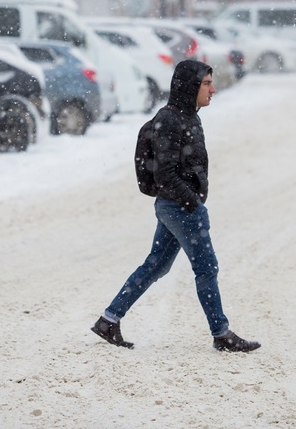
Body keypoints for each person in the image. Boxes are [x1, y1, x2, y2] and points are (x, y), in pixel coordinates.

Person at [91, 59, 261, 353]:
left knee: (155, 265)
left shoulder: (187, 115)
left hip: (173, 206)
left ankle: (109, 319)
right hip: (180, 208)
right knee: (207, 268)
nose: (213, 89)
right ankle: (221, 333)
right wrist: (193, 203)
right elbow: (165, 173)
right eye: (207, 83)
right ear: (190, 85)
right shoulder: (170, 120)